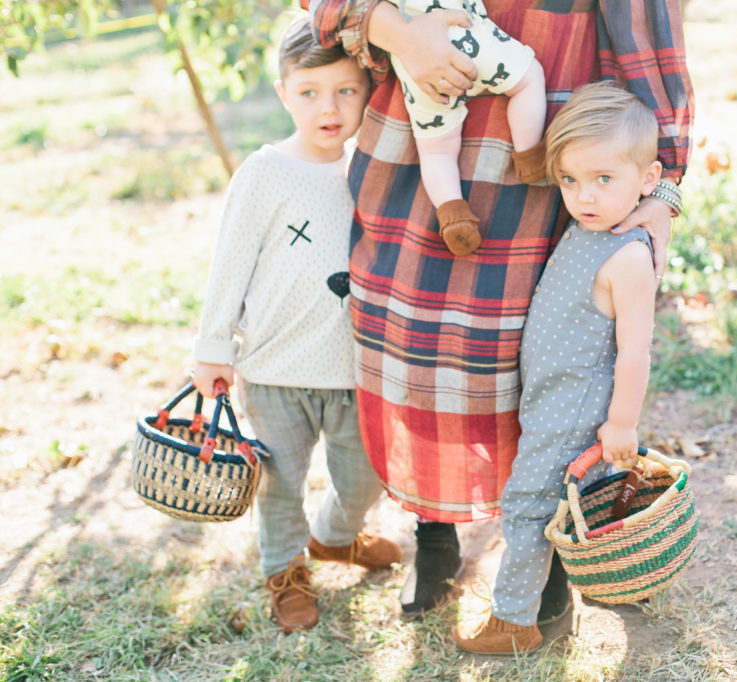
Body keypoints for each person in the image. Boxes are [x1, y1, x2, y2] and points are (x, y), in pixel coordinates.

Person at [301, 0, 692, 618]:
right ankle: (434, 531)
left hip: (544, 149)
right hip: (418, 126)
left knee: (525, 357)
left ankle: (549, 551)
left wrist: (665, 182)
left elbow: (648, 32)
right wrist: (399, 33)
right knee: (418, 343)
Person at [190, 15, 401, 634]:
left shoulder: (371, 169)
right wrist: (212, 347)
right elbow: (229, 265)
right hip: (275, 368)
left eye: (345, 91)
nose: (328, 108)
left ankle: (335, 535)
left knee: (365, 475)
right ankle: (285, 573)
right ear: (284, 94)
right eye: (309, 93)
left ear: (368, 92)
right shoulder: (265, 172)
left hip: (351, 368)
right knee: (280, 482)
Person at [454, 82, 662, 653]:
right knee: (565, 498)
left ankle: (515, 619)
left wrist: (621, 423)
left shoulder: (628, 254)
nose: (583, 196)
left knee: (528, 504)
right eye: (569, 180)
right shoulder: (587, 227)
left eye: (603, 180)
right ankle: (611, 575)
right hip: (548, 394)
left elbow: (636, 351)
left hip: (574, 404)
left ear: (648, 180)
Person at [384, 0, 547, 256]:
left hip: (416, 65)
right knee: (529, 81)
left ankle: (453, 214)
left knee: (437, 150)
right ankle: (529, 157)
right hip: (466, 35)